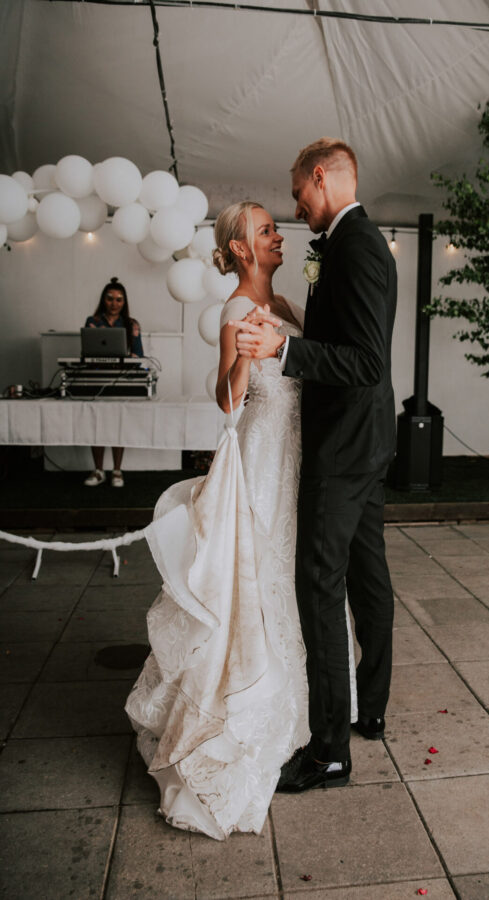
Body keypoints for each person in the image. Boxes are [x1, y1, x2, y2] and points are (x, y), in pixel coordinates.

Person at [126, 201, 342, 838]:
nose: (279, 236)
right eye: (266, 230)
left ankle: (301, 707)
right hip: (262, 462)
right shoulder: (235, 311)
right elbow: (226, 401)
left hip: (296, 459)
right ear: (242, 249)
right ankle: (241, 712)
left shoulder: (288, 306)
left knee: (290, 582)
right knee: (257, 585)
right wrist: (245, 359)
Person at [231, 138, 397, 792]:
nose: (296, 205)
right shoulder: (348, 244)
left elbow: (366, 362)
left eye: (298, 191)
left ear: (320, 177)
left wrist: (285, 350)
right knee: (367, 574)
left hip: (343, 444)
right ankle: (370, 707)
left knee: (319, 585)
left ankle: (329, 750)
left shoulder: (357, 247)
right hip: (366, 440)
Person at [82, 277, 143, 488]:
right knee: (96, 424)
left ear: (124, 302)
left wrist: (125, 360)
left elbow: (138, 355)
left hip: (121, 381)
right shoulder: (92, 321)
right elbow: (87, 351)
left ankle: (117, 470)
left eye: (119, 299)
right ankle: (98, 470)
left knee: (118, 424)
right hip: (96, 380)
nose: (114, 303)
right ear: (103, 300)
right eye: (110, 298)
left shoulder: (132, 324)